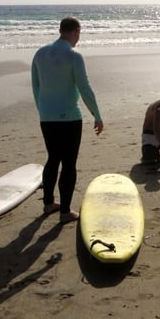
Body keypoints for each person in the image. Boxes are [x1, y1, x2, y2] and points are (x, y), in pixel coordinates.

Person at [31, 16, 104, 223]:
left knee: (53, 158)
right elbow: (84, 88)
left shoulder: (40, 53)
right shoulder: (74, 55)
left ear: (60, 30)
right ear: (76, 32)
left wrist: (43, 110)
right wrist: (97, 115)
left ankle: (48, 204)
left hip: (47, 117)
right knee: (69, 163)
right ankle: (65, 211)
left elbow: (36, 86)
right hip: (70, 118)